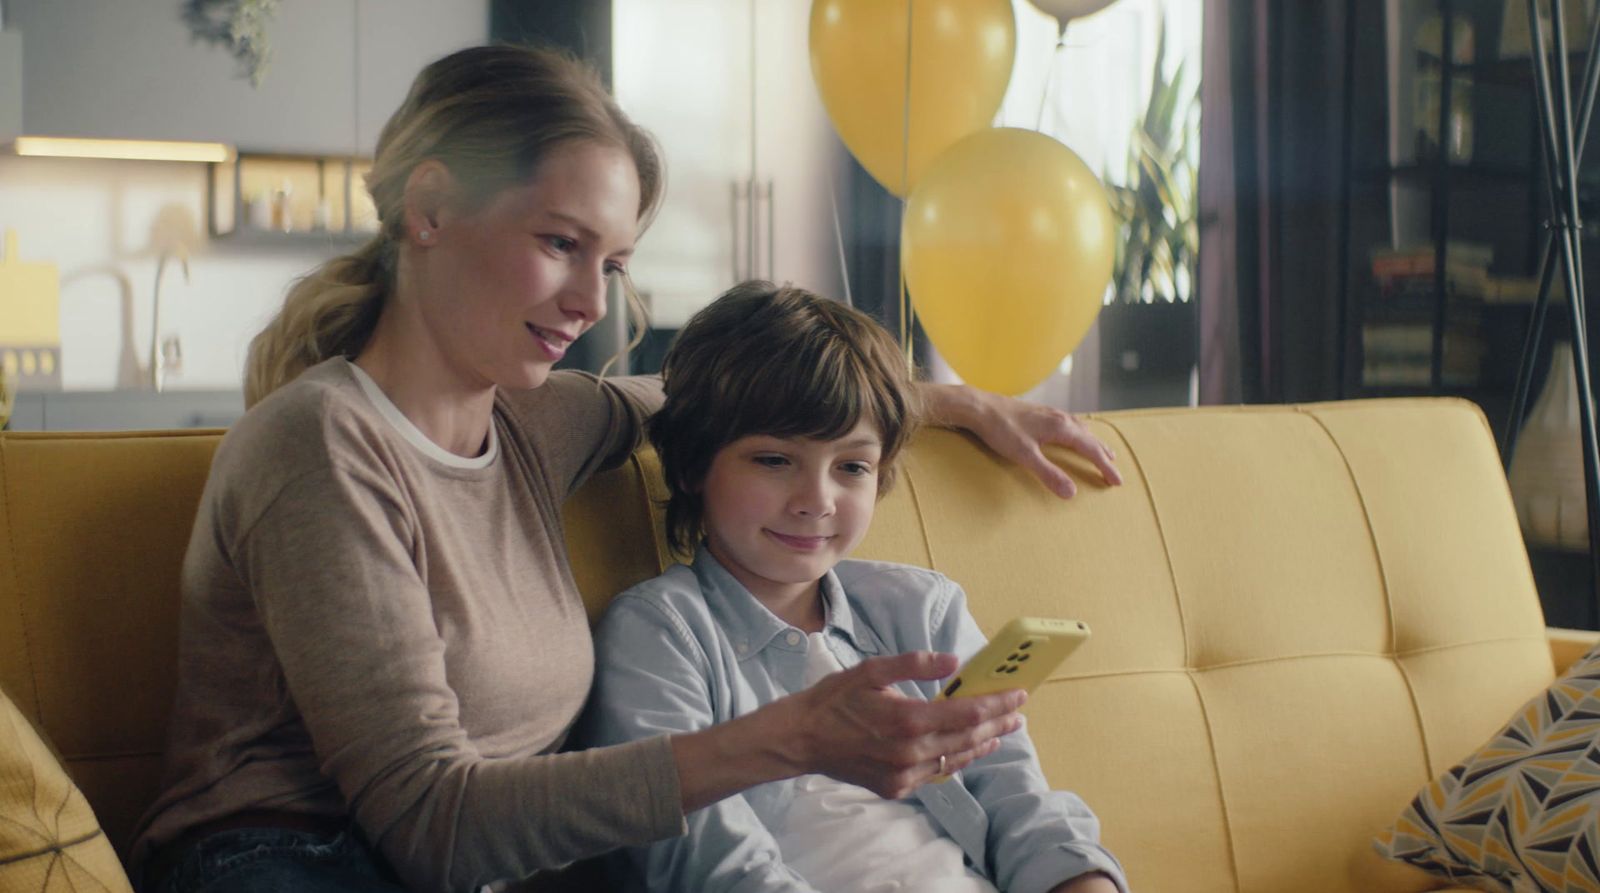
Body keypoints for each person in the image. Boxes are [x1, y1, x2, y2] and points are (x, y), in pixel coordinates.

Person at [129, 44, 1123, 893]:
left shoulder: (533, 424)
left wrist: (927, 398)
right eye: (561, 243)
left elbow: (710, 399)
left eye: (610, 263)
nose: (589, 301)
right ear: (429, 207)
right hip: (288, 858)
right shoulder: (321, 444)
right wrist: (794, 735)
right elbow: (429, 819)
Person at [579, 282, 1126, 893]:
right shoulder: (661, 633)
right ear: (692, 465)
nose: (817, 502)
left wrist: (1082, 879)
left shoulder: (923, 610)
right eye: (773, 460)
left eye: (851, 467)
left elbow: (1018, 798)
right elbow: (706, 863)